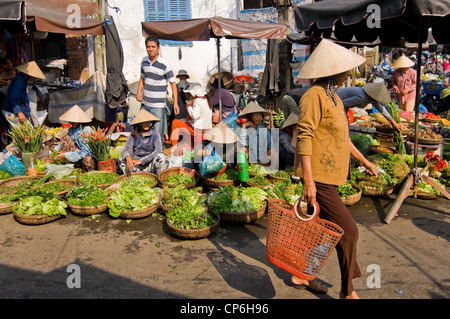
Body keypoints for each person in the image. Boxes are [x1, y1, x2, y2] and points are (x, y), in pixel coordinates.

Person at [293, 38, 371, 299]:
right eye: (346, 69)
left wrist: (365, 161)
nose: (349, 73)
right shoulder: (314, 96)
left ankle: (303, 273)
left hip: (331, 176)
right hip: (320, 178)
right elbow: (304, 135)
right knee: (349, 231)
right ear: (333, 71)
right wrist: (309, 181)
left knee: (325, 232)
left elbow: (344, 138)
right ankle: (348, 291)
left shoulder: (335, 98)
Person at [136, 35, 178, 145]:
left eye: (153, 47)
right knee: (142, 133)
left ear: (158, 48)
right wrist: (138, 91)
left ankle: (157, 158)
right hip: (145, 105)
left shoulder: (164, 64)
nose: (150, 49)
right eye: (148, 47)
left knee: (157, 136)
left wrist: (176, 103)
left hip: (158, 107)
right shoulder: (144, 61)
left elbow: (173, 84)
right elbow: (142, 78)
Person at [336, 83, 401, 131]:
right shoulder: (363, 97)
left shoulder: (371, 98)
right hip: (335, 102)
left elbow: (382, 109)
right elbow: (342, 104)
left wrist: (393, 122)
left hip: (342, 105)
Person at [120, 108, 167, 175]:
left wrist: (141, 161)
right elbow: (126, 149)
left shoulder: (155, 134)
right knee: (121, 158)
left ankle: (157, 177)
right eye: (144, 122)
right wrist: (128, 158)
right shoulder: (134, 134)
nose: (146, 124)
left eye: (148, 122)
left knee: (161, 157)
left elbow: (158, 150)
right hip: (136, 164)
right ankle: (132, 175)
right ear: (139, 123)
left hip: (150, 164)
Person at [53, 105, 96, 171]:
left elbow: (86, 151)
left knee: (88, 161)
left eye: (73, 121)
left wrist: (66, 155)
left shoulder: (86, 130)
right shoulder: (71, 130)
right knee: (66, 138)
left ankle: (89, 171)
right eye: (70, 121)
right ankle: (69, 166)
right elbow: (63, 142)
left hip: (89, 156)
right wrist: (55, 151)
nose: (71, 123)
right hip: (76, 156)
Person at [2, 61, 45, 128]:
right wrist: (19, 113)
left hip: (16, 110)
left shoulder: (22, 80)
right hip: (11, 111)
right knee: (27, 131)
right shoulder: (19, 81)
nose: (32, 78)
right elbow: (13, 98)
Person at [170, 82, 213, 147]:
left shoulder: (197, 101)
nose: (188, 95)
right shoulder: (206, 99)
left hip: (198, 130)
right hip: (206, 129)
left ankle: (174, 146)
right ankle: (190, 144)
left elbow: (195, 116)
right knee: (187, 121)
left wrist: (188, 106)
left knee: (175, 123)